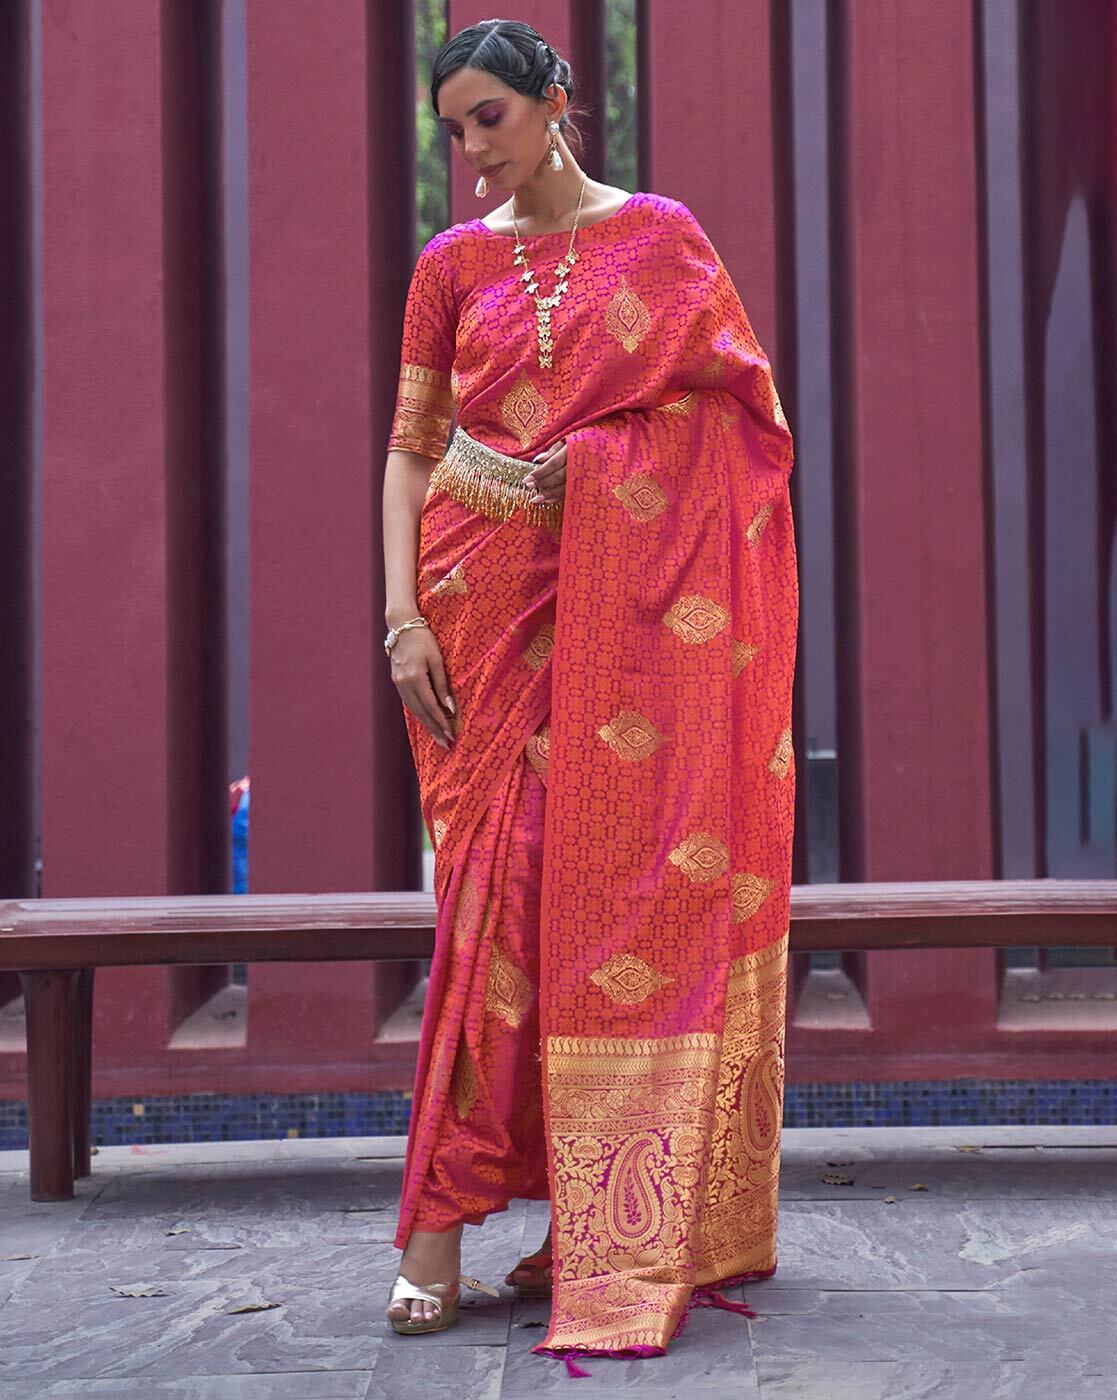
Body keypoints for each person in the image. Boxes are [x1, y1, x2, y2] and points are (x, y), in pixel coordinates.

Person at [380, 18, 797, 1373]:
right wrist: (398, 620)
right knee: (486, 906)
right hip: (473, 609)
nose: (472, 150)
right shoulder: (447, 267)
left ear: (560, 103)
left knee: (596, 898)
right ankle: (434, 1231)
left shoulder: (663, 239)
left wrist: (610, 469)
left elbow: (742, 427)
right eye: (454, 130)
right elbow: (412, 452)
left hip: (624, 621)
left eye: (490, 117)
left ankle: (597, 1226)